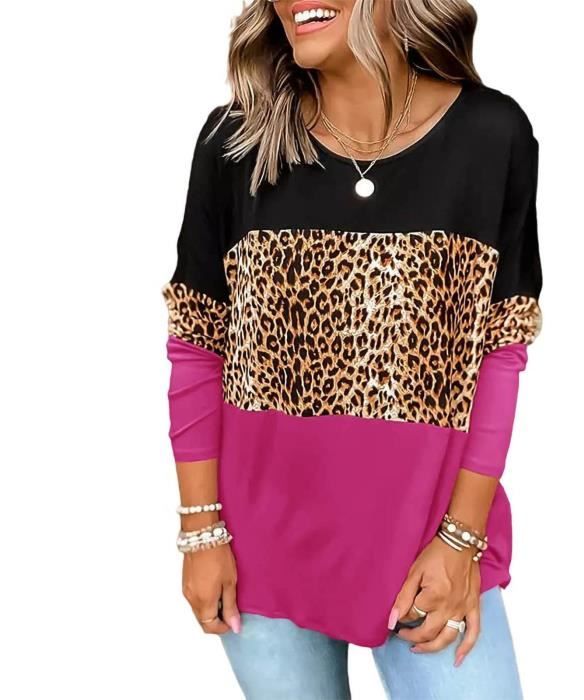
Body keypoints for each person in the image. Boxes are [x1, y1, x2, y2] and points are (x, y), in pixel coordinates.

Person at [161, 1, 543, 698]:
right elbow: (196, 344)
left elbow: (500, 349)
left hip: (429, 551)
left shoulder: (491, 136)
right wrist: (200, 532)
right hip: (260, 562)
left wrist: (461, 539)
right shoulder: (236, 144)